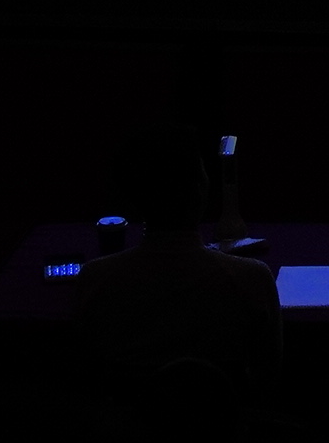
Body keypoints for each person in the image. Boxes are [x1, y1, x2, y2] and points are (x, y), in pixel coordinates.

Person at [78, 131, 281, 388]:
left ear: (133, 196)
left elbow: (86, 373)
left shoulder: (95, 280)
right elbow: (269, 373)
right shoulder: (253, 279)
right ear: (201, 189)